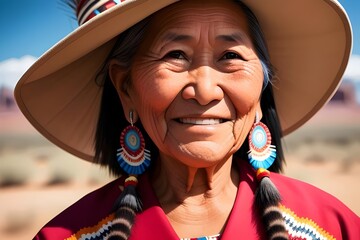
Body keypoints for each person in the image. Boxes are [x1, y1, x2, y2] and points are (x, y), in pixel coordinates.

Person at [15, 0, 359, 239]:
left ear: (261, 88)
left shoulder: (332, 228)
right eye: (175, 55)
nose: (206, 90)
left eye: (230, 56)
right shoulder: (68, 236)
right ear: (126, 88)